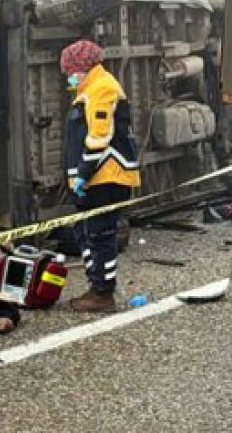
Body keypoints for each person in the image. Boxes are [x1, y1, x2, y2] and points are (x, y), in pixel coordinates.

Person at [60, 40, 141, 312]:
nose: (67, 76)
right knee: (84, 232)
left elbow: (99, 137)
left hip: (106, 176)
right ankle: (96, 285)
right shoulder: (90, 89)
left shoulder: (102, 88)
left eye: (70, 70)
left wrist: (83, 174)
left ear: (83, 67)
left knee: (100, 234)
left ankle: (103, 293)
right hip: (96, 177)